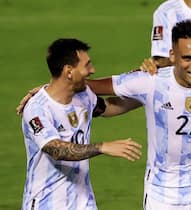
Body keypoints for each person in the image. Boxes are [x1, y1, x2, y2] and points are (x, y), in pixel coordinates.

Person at [87, 20, 191, 210]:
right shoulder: (152, 81)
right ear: (172, 56)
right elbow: (93, 86)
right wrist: (48, 90)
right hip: (162, 194)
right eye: (188, 58)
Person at [21, 38, 142, 210]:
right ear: (69, 71)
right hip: (46, 203)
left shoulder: (83, 96)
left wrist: (147, 90)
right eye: (87, 65)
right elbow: (55, 149)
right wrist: (102, 147)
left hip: (83, 203)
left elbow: (110, 107)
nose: (92, 70)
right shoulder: (37, 109)